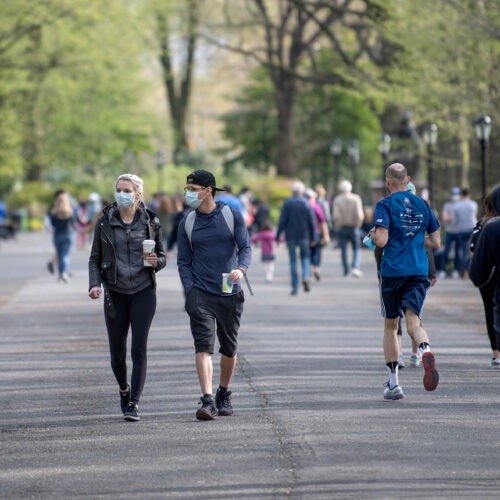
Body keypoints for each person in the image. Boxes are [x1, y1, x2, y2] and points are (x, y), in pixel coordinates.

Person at [88, 173, 166, 422]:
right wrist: (94, 284)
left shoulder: (151, 221)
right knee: (117, 353)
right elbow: (95, 258)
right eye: (119, 189)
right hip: (115, 292)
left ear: (138, 194)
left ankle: (134, 403)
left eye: (127, 190)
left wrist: (157, 262)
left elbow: (162, 255)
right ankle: (124, 388)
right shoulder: (104, 222)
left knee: (138, 348)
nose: (122, 194)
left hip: (144, 291)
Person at [177, 169, 251, 421]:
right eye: (187, 189)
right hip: (200, 293)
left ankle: (223, 392)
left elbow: (245, 247)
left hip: (230, 292)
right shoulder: (187, 222)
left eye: (193, 189)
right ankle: (207, 399)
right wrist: (190, 290)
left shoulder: (231, 215)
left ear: (208, 191)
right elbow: (183, 261)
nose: (188, 193)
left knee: (228, 348)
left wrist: (241, 269)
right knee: (203, 346)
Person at [368, 163, 441, 400]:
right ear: (408, 179)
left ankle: (394, 384)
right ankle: (425, 349)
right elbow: (436, 242)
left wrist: (372, 234)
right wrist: (416, 240)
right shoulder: (422, 204)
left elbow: (381, 240)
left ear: (388, 181)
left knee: (391, 325)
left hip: (393, 272)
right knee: (414, 324)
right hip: (418, 271)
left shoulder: (385, 204)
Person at [469, 185, 500, 367]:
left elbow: (475, 251)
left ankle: (496, 351)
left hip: (491, 276)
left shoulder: (487, 227)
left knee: (491, 311)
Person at [276, 181, 316, 295]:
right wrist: (313, 237)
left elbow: (282, 221)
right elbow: (312, 222)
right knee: (305, 257)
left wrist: (278, 236)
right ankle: (305, 276)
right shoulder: (306, 203)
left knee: (293, 260)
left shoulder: (287, 203)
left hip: (291, 235)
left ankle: (295, 287)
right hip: (304, 235)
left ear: (293, 191)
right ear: (302, 191)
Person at [332, 179, 364, 278]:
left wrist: (339, 224)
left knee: (343, 249)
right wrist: (358, 224)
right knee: (356, 248)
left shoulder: (337, 199)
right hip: (354, 227)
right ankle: (355, 266)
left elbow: (336, 216)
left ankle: (345, 269)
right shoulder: (356, 198)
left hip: (342, 227)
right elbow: (359, 215)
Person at [47, 190, 80, 282]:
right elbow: (74, 222)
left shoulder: (53, 212)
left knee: (60, 255)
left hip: (57, 235)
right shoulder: (70, 210)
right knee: (65, 255)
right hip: (68, 234)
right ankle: (63, 273)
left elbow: (52, 224)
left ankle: (61, 274)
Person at [305, 188, 330, 281]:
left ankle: (311, 269)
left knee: (307, 253)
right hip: (316, 232)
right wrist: (326, 235)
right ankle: (316, 268)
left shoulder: (303, 206)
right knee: (316, 252)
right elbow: (323, 222)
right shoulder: (316, 207)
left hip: (304, 234)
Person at [452, 187, 477, 278]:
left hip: (462, 230)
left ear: (461, 195)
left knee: (463, 251)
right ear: (469, 195)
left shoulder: (456, 206)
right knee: (473, 250)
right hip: (472, 228)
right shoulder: (473, 204)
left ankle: (464, 271)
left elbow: (455, 221)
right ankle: (472, 270)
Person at [437, 187, 461, 278]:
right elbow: (445, 218)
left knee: (457, 252)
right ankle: (443, 270)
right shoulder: (447, 205)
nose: (455, 196)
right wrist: (452, 218)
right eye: (453, 194)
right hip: (449, 231)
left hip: (459, 231)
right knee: (446, 251)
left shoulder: (461, 205)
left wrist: (451, 217)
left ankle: (456, 270)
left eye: (456, 194)